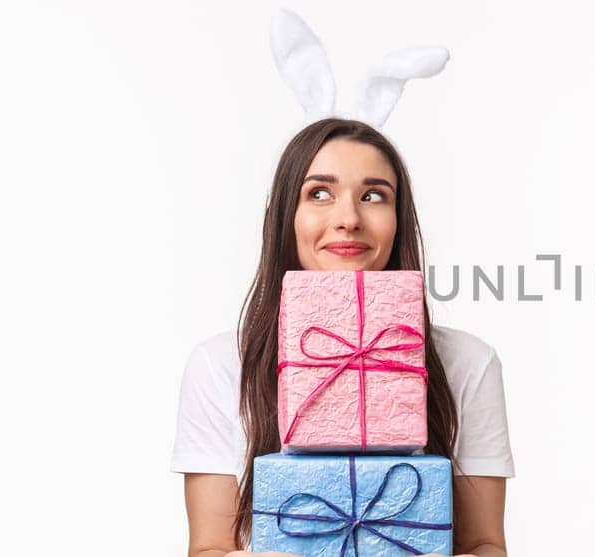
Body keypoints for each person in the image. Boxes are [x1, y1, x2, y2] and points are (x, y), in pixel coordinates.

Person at [171, 118, 513, 557]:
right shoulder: (219, 364)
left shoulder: (469, 362)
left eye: (374, 196)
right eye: (319, 193)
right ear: (286, 218)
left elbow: (485, 546)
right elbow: (209, 550)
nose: (348, 219)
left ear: (399, 219)